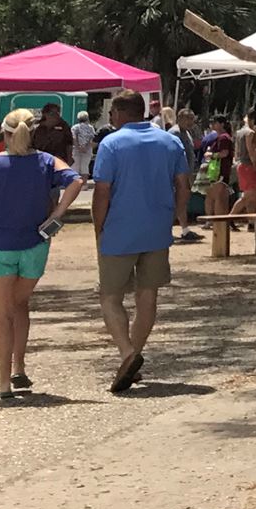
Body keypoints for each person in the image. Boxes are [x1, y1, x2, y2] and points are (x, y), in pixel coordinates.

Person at [90, 92, 190, 393]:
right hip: (157, 230)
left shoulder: (111, 143)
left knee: (110, 296)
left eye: (112, 114)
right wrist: (175, 216)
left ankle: (128, 353)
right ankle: (131, 355)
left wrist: (99, 226)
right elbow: (183, 185)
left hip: (120, 229)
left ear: (120, 112)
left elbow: (102, 191)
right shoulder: (170, 141)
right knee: (148, 296)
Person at [0, 110, 83, 402]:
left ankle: (3, 383)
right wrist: (57, 216)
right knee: (19, 304)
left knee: (3, 314)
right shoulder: (47, 161)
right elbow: (76, 181)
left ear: (5, 133)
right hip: (35, 244)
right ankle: (19, 367)